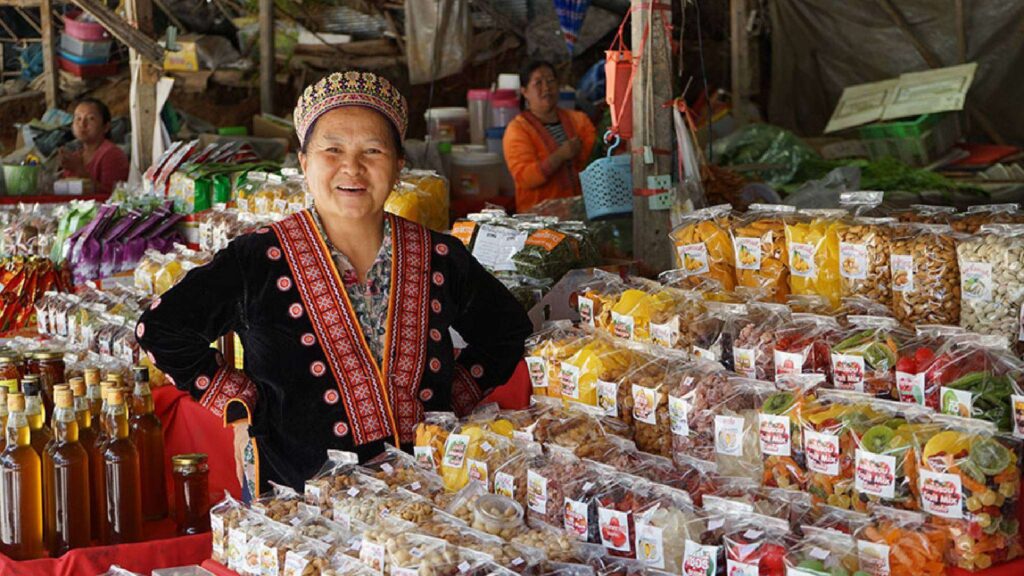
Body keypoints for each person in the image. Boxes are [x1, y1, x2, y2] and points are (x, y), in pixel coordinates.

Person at [136, 71, 533, 498]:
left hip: (422, 508)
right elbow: (160, 329)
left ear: (399, 166)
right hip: (297, 507)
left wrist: (454, 395)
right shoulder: (256, 260)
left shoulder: (438, 256)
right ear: (304, 164)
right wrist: (239, 403)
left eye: (373, 150)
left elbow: (507, 329)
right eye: (332, 149)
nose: (352, 167)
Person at [503, 60, 596, 213]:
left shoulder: (579, 120)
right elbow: (525, 178)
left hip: (580, 213)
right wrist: (560, 156)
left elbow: (594, 161)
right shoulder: (518, 129)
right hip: (538, 220)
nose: (546, 88)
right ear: (524, 91)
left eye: (551, 81)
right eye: (538, 83)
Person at [59, 97, 129, 195]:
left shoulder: (113, 155)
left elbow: (112, 196)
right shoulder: (77, 155)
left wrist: (80, 170)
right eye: (78, 118)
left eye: (90, 119)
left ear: (106, 127)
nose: (82, 124)